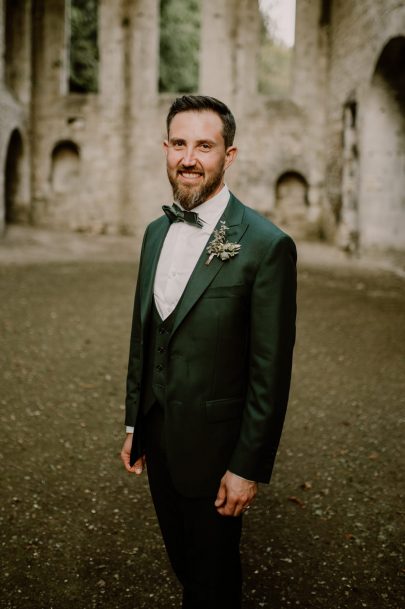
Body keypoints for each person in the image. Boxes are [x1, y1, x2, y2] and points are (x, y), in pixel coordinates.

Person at [120, 95, 297, 609]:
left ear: (230, 155)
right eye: (179, 144)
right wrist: (135, 423)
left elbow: (271, 371)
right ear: (165, 149)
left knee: (214, 578)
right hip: (158, 434)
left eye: (205, 145)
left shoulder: (267, 246)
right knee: (183, 561)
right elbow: (144, 334)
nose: (189, 158)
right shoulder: (155, 233)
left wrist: (248, 467)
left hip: (219, 451)